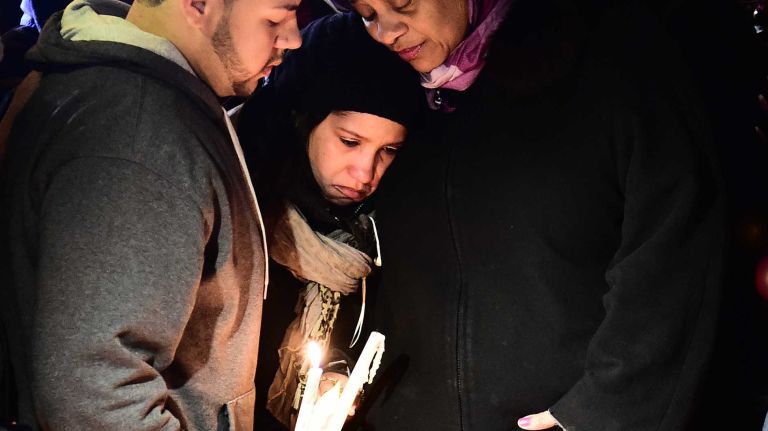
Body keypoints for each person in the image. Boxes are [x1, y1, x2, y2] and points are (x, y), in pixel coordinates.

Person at [322, 0, 726, 430]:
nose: (386, 31)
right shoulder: (376, 85)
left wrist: (599, 411)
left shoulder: (609, 56)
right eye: (367, 14)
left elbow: (673, 249)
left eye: (402, 3)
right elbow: (351, 251)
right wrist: (339, 363)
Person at [0, 0, 300, 428]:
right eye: (277, 16)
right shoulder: (139, 134)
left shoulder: (127, 94)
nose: (293, 37)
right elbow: (97, 395)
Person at [234, 12, 423, 430]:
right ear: (304, 123)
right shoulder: (243, 207)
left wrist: (338, 372)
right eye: (349, 142)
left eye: (389, 151)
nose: (365, 173)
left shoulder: (390, 225)